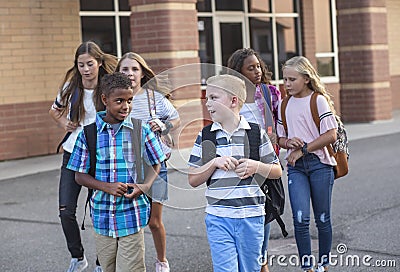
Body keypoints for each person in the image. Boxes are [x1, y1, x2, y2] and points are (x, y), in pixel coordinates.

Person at [67, 72, 166, 272]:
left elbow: (157, 162)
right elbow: (79, 175)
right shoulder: (89, 134)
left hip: (132, 215)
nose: (125, 106)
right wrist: (106, 187)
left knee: (130, 269)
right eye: (119, 101)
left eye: (129, 101)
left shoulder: (141, 130)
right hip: (102, 218)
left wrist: (144, 186)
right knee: (108, 268)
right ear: (105, 99)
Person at [188, 74, 282, 272]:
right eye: (206, 98)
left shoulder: (256, 133)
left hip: (252, 217)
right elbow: (193, 179)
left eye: (213, 98)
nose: (207, 103)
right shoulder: (205, 136)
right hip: (218, 217)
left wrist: (256, 167)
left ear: (233, 101)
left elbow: (277, 171)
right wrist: (214, 162)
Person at [49, 41, 117, 272]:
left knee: (101, 211)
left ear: (99, 63)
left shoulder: (108, 86)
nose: (86, 69)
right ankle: (78, 257)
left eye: (90, 64)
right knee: (65, 210)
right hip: (72, 154)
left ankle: (101, 262)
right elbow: (54, 109)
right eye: (81, 65)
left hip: (101, 156)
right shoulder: (71, 86)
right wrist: (63, 123)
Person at [116, 52, 180, 272]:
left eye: (135, 69)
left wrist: (164, 127)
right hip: (127, 166)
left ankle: (162, 261)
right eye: (125, 69)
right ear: (118, 73)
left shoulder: (154, 98)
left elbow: (175, 119)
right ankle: (134, 264)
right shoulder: (117, 98)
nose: (130, 74)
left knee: (153, 221)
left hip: (156, 165)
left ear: (143, 73)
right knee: (132, 222)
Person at [276, 56, 338, 272]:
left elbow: (331, 134)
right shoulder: (283, 105)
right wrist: (287, 142)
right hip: (296, 169)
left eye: (292, 79)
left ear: (306, 78)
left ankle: (324, 264)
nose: (287, 84)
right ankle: (306, 267)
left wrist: (302, 150)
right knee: (300, 219)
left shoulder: (318, 100)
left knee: (322, 218)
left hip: (320, 164)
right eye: (285, 79)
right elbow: (279, 138)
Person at [227, 48, 282, 272]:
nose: (257, 71)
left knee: (264, 211)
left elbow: (282, 122)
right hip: (238, 164)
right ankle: (247, 257)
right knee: (242, 211)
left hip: (264, 162)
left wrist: (279, 139)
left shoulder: (270, 93)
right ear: (238, 73)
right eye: (251, 68)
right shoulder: (230, 98)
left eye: (258, 66)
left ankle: (262, 260)